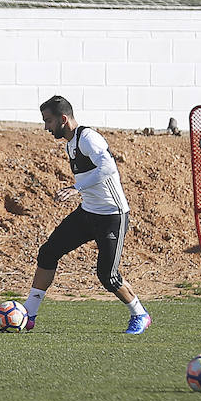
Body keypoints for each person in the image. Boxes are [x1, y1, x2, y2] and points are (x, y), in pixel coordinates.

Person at [23, 95, 151, 334]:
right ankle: (29, 313)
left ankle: (140, 314)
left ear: (63, 119)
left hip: (112, 215)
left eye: (48, 121)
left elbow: (108, 167)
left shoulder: (88, 138)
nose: (46, 127)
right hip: (87, 213)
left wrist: (75, 188)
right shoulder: (70, 143)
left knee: (107, 276)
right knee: (48, 253)